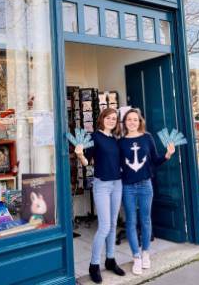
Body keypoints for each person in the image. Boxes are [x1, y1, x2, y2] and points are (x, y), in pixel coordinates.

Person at [119, 108, 175, 275]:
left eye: (135, 120)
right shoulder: (120, 142)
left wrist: (167, 155)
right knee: (131, 221)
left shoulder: (147, 138)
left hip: (145, 185)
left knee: (145, 220)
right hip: (127, 186)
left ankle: (145, 253)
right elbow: (116, 165)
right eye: (129, 120)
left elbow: (155, 160)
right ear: (125, 122)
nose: (132, 122)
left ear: (140, 121)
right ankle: (136, 256)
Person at [75, 108, 125, 284]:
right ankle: (94, 265)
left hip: (117, 184)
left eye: (114, 118)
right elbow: (87, 162)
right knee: (104, 226)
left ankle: (110, 260)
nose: (111, 120)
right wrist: (80, 154)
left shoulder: (116, 140)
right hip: (102, 185)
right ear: (101, 119)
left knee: (112, 224)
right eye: (108, 117)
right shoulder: (94, 137)